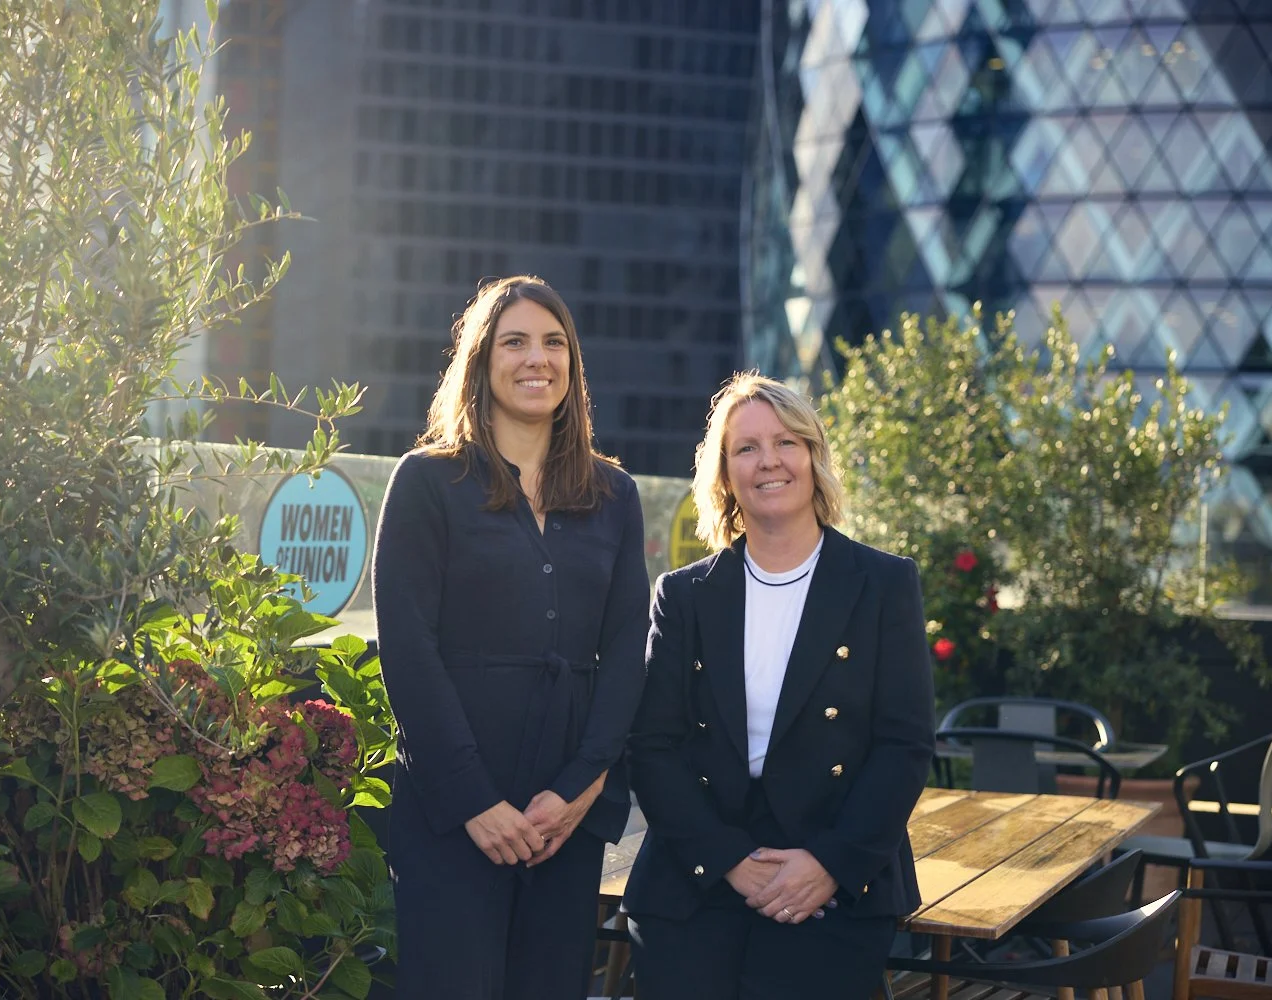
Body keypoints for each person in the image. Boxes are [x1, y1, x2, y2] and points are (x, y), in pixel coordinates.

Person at [372, 275, 650, 1000]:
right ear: (481, 360)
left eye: (554, 343)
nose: (537, 359)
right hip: (453, 808)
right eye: (515, 342)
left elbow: (627, 650)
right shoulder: (427, 481)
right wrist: (473, 801)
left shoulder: (614, 496)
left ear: (572, 364)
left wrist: (581, 787)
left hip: (564, 815)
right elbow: (407, 649)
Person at [622, 371, 935, 1000]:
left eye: (786, 442)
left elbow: (904, 745)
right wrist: (728, 861)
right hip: (701, 866)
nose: (769, 461)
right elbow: (653, 745)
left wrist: (830, 864)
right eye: (747, 448)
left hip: (833, 866)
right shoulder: (683, 594)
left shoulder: (883, 584)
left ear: (814, 457)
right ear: (724, 475)